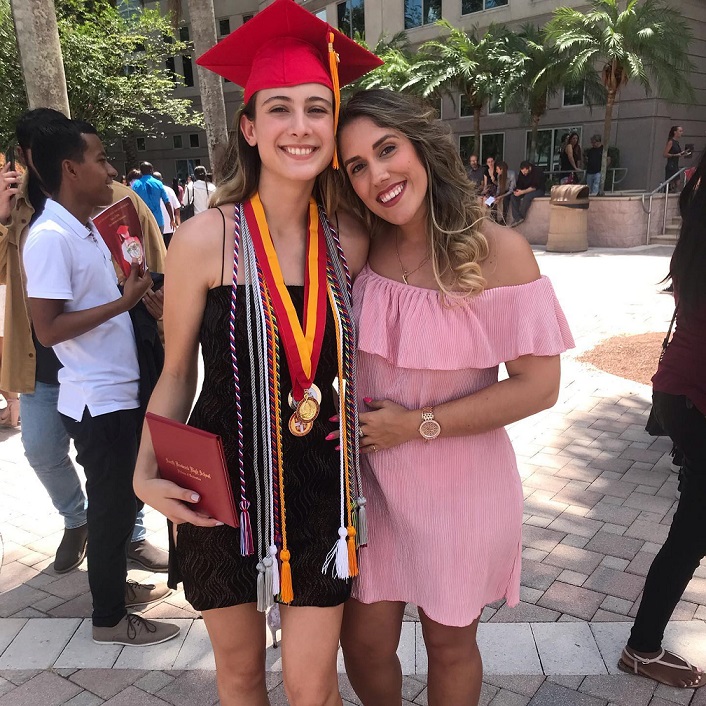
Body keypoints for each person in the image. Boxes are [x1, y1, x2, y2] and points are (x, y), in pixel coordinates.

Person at [132, 1, 379, 703]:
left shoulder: (351, 241)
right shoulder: (204, 238)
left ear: (334, 127)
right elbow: (177, 371)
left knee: (313, 688)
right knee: (239, 676)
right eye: (279, 109)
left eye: (316, 109)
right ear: (249, 127)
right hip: (219, 487)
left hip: (321, 491)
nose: (299, 127)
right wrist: (144, 475)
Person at [336, 88, 573, 706]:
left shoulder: (500, 252)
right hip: (370, 484)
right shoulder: (360, 246)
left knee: (448, 645)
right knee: (361, 645)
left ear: (421, 146)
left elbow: (540, 386)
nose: (378, 175)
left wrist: (415, 425)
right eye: (357, 166)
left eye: (387, 150)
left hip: (459, 483)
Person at [22, 118, 179, 645]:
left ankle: (113, 584)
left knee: (125, 501)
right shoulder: (48, 237)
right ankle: (110, 618)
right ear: (70, 168)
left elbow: (101, 306)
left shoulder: (87, 228)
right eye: (100, 159)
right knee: (112, 506)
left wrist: (140, 302)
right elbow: (46, 330)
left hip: (123, 389)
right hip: (98, 400)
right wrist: (123, 302)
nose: (110, 169)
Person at [619, 155, 706, 690]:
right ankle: (642, 648)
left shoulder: (694, 237)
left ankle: (643, 644)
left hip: (680, 392)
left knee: (691, 531)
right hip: (694, 397)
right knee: (691, 534)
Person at [132, 162, 175, 233]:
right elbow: (167, 202)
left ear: (141, 171)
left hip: (143, 221)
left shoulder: (135, 185)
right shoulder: (158, 183)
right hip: (158, 220)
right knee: (159, 242)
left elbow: (133, 203)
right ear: (151, 170)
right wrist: (172, 219)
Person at [510, 160, 545, 227]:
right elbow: (520, 184)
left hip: (538, 189)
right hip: (525, 189)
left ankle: (521, 216)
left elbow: (534, 187)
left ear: (529, 168)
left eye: (525, 171)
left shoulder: (537, 171)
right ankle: (517, 218)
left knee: (527, 197)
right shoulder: (522, 173)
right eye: (522, 172)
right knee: (513, 197)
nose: (524, 173)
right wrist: (517, 190)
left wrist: (522, 192)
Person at [154, 171, 181, 248]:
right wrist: (178, 223)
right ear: (162, 179)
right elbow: (177, 208)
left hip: (157, 225)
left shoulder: (151, 191)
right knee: (169, 248)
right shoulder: (169, 190)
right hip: (170, 226)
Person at [493, 160, 516, 225]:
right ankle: (494, 219)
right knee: (492, 200)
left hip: (512, 191)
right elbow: (499, 188)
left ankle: (504, 219)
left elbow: (511, 190)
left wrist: (501, 196)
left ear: (502, 169)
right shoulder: (499, 176)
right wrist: (496, 196)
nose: (496, 171)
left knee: (505, 200)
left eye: (497, 169)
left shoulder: (512, 174)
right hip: (503, 191)